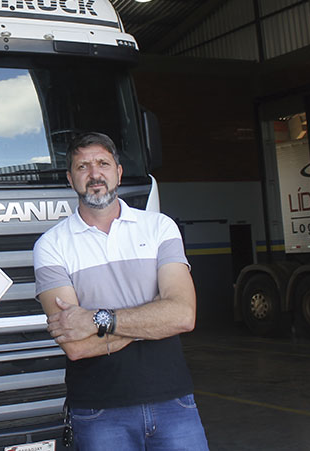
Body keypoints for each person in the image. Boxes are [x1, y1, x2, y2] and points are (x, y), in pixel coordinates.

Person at [33, 132, 208, 450]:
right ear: (71, 179)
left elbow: (183, 315)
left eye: (103, 163)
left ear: (118, 172)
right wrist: (154, 318)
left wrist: (97, 319)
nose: (94, 173)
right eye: (83, 166)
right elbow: (77, 347)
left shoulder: (159, 227)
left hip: (174, 402)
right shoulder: (50, 246)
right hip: (99, 412)